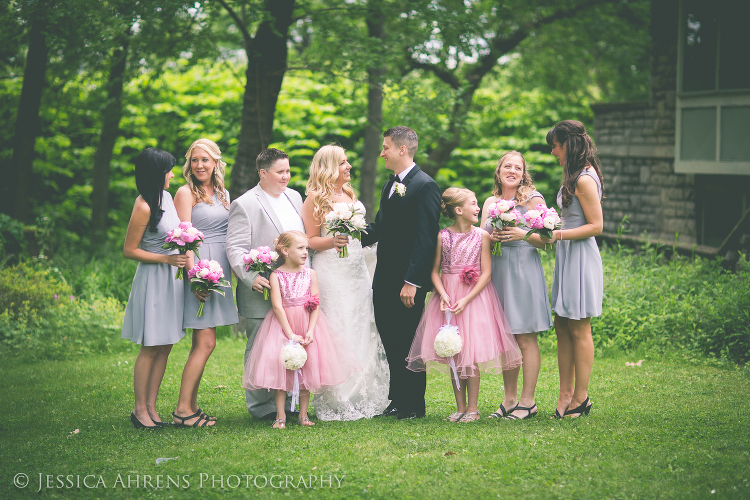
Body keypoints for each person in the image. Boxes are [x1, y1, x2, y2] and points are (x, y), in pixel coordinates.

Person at [407, 188, 522, 423]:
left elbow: (487, 273)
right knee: (454, 353)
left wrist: (467, 298)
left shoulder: (482, 236)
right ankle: (459, 407)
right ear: (459, 210)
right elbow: (435, 272)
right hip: (448, 297)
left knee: (471, 354)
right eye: (473, 203)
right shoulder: (443, 236)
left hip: (474, 299)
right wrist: (443, 294)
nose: (478, 208)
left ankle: (473, 408)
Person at [301, 145, 390, 421]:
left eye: (347, 161)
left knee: (362, 324)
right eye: (343, 163)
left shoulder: (349, 193)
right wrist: (333, 241)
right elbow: (310, 240)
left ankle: (362, 392)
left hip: (355, 268)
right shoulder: (315, 198)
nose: (349, 166)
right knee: (339, 325)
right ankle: (338, 393)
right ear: (329, 167)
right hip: (332, 271)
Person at [361, 126, 442, 421]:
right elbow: (381, 227)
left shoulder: (425, 185)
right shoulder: (390, 185)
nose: (381, 153)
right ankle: (397, 400)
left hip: (408, 281)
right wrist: (347, 234)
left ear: (401, 150)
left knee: (409, 341)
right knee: (390, 338)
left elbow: (426, 239)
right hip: (384, 277)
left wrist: (413, 282)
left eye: (385, 148)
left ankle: (413, 404)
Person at [242, 231, 360, 429]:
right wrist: (289, 334)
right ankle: (280, 416)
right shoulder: (275, 275)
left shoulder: (310, 274)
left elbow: (315, 303)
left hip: (307, 324)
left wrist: (311, 331)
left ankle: (303, 415)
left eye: (306, 248)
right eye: (301, 248)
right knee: (282, 370)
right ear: (285, 251)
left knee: (307, 372)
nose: (306, 252)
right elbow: (277, 306)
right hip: (283, 326)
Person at [226, 148, 303, 419]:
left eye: (288, 171)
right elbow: (235, 248)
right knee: (260, 348)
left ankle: (291, 403)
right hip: (262, 290)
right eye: (281, 172)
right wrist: (250, 277)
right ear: (263, 173)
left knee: (293, 343)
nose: (287, 176)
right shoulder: (245, 204)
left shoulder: (295, 197)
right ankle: (261, 407)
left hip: (295, 290)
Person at [171, 138, 239, 428]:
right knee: (206, 342)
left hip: (219, 269)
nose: (200, 165)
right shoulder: (185, 193)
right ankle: (182, 411)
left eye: (205, 160)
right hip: (200, 269)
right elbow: (182, 239)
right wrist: (194, 278)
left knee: (203, 341)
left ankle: (192, 406)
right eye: (195, 160)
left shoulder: (222, 193)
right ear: (189, 164)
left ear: (215, 163)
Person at [481, 151, 553, 420]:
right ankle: (509, 398)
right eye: (507, 166)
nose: (512, 171)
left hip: (523, 270)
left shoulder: (532, 199)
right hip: (498, 270)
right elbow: (481, 239)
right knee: (506, 338)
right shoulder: (490, 201)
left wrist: (523, 234)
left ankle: (528, 401)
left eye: (518, 168)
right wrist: (492, 236)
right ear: (498, 172)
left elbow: (548, 240)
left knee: (524, 337)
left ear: (524, 173)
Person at [121, 147, 186, 429]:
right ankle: (138, 410)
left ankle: (152, 406)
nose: (172, 174)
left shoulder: (168, 197)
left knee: (166, 343)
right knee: (151, 345)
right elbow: (129, 250)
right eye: (169, 170)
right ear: (156, 174)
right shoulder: (143, 206)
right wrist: (166, 258)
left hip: (171, 278)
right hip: (153, 278)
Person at [544, 120, 604, 418]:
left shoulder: (584, 178)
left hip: (580, 257)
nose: (554, 151)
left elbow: (596, 225)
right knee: (562, 323)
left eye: (555, 145)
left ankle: (581, 397)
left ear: (568, 143)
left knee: (579, 326)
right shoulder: (574, 174)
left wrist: (556, 233)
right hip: (568, 255)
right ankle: (565, 392)